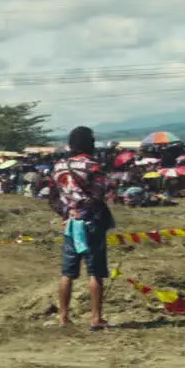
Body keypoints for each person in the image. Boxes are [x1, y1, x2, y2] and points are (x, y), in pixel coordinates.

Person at [49, 126, 115, 331]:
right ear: (89, 143)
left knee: (67, 272)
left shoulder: (59, 166)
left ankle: (63, 316)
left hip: (70, 223)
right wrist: (84, 209)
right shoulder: (92, 166)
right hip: (91, 222)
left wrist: (68, 212)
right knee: (95, 272)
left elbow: (52, 197)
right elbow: (100, 193)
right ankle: (96, 318)